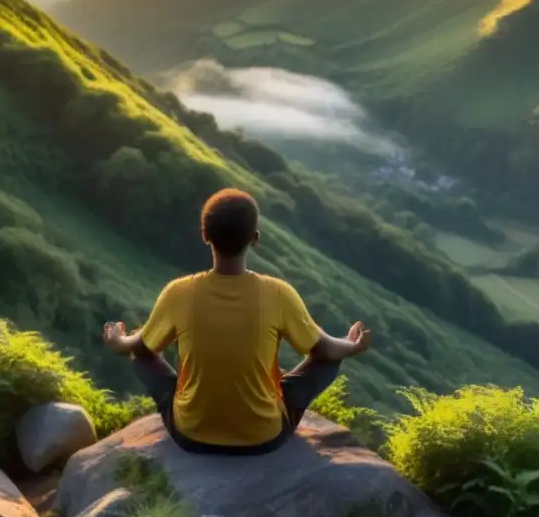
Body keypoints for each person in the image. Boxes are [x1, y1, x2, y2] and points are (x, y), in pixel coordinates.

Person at [102, 188, 372, 455]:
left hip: (191, 435)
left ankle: (194, 408)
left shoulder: (178, 293)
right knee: (329, 359)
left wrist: (118, 341)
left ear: (205, 236)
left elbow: (139, 346)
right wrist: (351, 345)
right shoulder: (278, 293)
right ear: (255, 239)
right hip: (264, 437)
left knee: (142, 354)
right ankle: (265, 412)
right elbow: (325, 350)